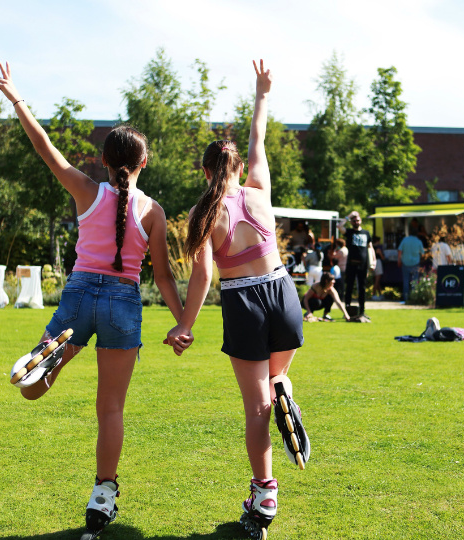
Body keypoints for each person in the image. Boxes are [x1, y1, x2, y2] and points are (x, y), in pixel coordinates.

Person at [0, 61, 187, 538]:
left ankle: (41, 364)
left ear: (103, 161)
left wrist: (16, 98)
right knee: (111, 408)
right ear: (144, 164)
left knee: (34, 387)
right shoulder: (153, 212)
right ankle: (104, 492)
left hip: (79, 295)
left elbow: (45, 148)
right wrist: (182, 323)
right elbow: (161, 275)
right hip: (123, 303)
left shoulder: (86, 191)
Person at [166, 60, 308, 540]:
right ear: (239, 169)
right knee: (276, 378)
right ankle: (284, 383)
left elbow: (204, 272)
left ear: (204, 171)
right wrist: (262, 93)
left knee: (256, 409)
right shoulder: (260, 190)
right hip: (283, 290)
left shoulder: (204, 211)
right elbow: (258, 139)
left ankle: (264, 493)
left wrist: (185, 326)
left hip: (244, 301)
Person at [337, 211, 374, 321]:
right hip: (351, 264)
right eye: (353, 220)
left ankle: (362, 311)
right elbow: (339, 226)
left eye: (357, 220)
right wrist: (348, 216)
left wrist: (372, 262)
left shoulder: (366, 233)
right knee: (349, 288)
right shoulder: (349, 232)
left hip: (362, 265)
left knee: (362, 289)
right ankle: (347, 311)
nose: (356, 222)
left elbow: (370, 248)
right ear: (351, 222)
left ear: (360, 221)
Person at [397, 226, 425, 303]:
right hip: (415, 264)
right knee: (415, 281)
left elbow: (400, 250)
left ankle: (406, 298)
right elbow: (423, 253)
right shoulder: (418, 241)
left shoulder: (405, 240)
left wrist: (399, 260)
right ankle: (414, 298)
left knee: (405, 281)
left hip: (405, 263)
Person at [371, 236, 385, 300]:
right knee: (377, 280)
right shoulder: (377, 249)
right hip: (377, 263)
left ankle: (380, 294)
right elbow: (382, 257)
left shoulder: (370, 248)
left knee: (376, 280)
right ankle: (373, 294)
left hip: (372, 263)